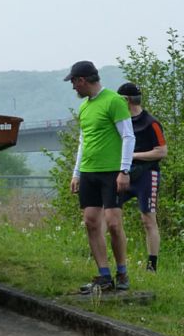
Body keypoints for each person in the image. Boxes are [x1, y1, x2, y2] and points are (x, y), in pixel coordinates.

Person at [65, 61, 135, 294]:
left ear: (82, 80)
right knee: (91, 222)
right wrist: (76, 173)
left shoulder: (114, 101)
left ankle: (122, 271)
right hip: (89, 172)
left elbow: (128, 136)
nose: (73, 88)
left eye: (74, 82)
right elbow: (83, 141)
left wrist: (124, 170)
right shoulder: (85, 107)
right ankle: (104, 276)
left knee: (114, 223)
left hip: (112, 172)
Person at [116, 82, 167, 272]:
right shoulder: (121, 121)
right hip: (124, 174)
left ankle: (151, 266)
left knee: (148, 219)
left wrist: (133, 156)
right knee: (110, 212)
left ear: (126, 100)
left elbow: (161, 151)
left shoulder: (151, 122)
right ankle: (115, 260)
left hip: (147, 175)